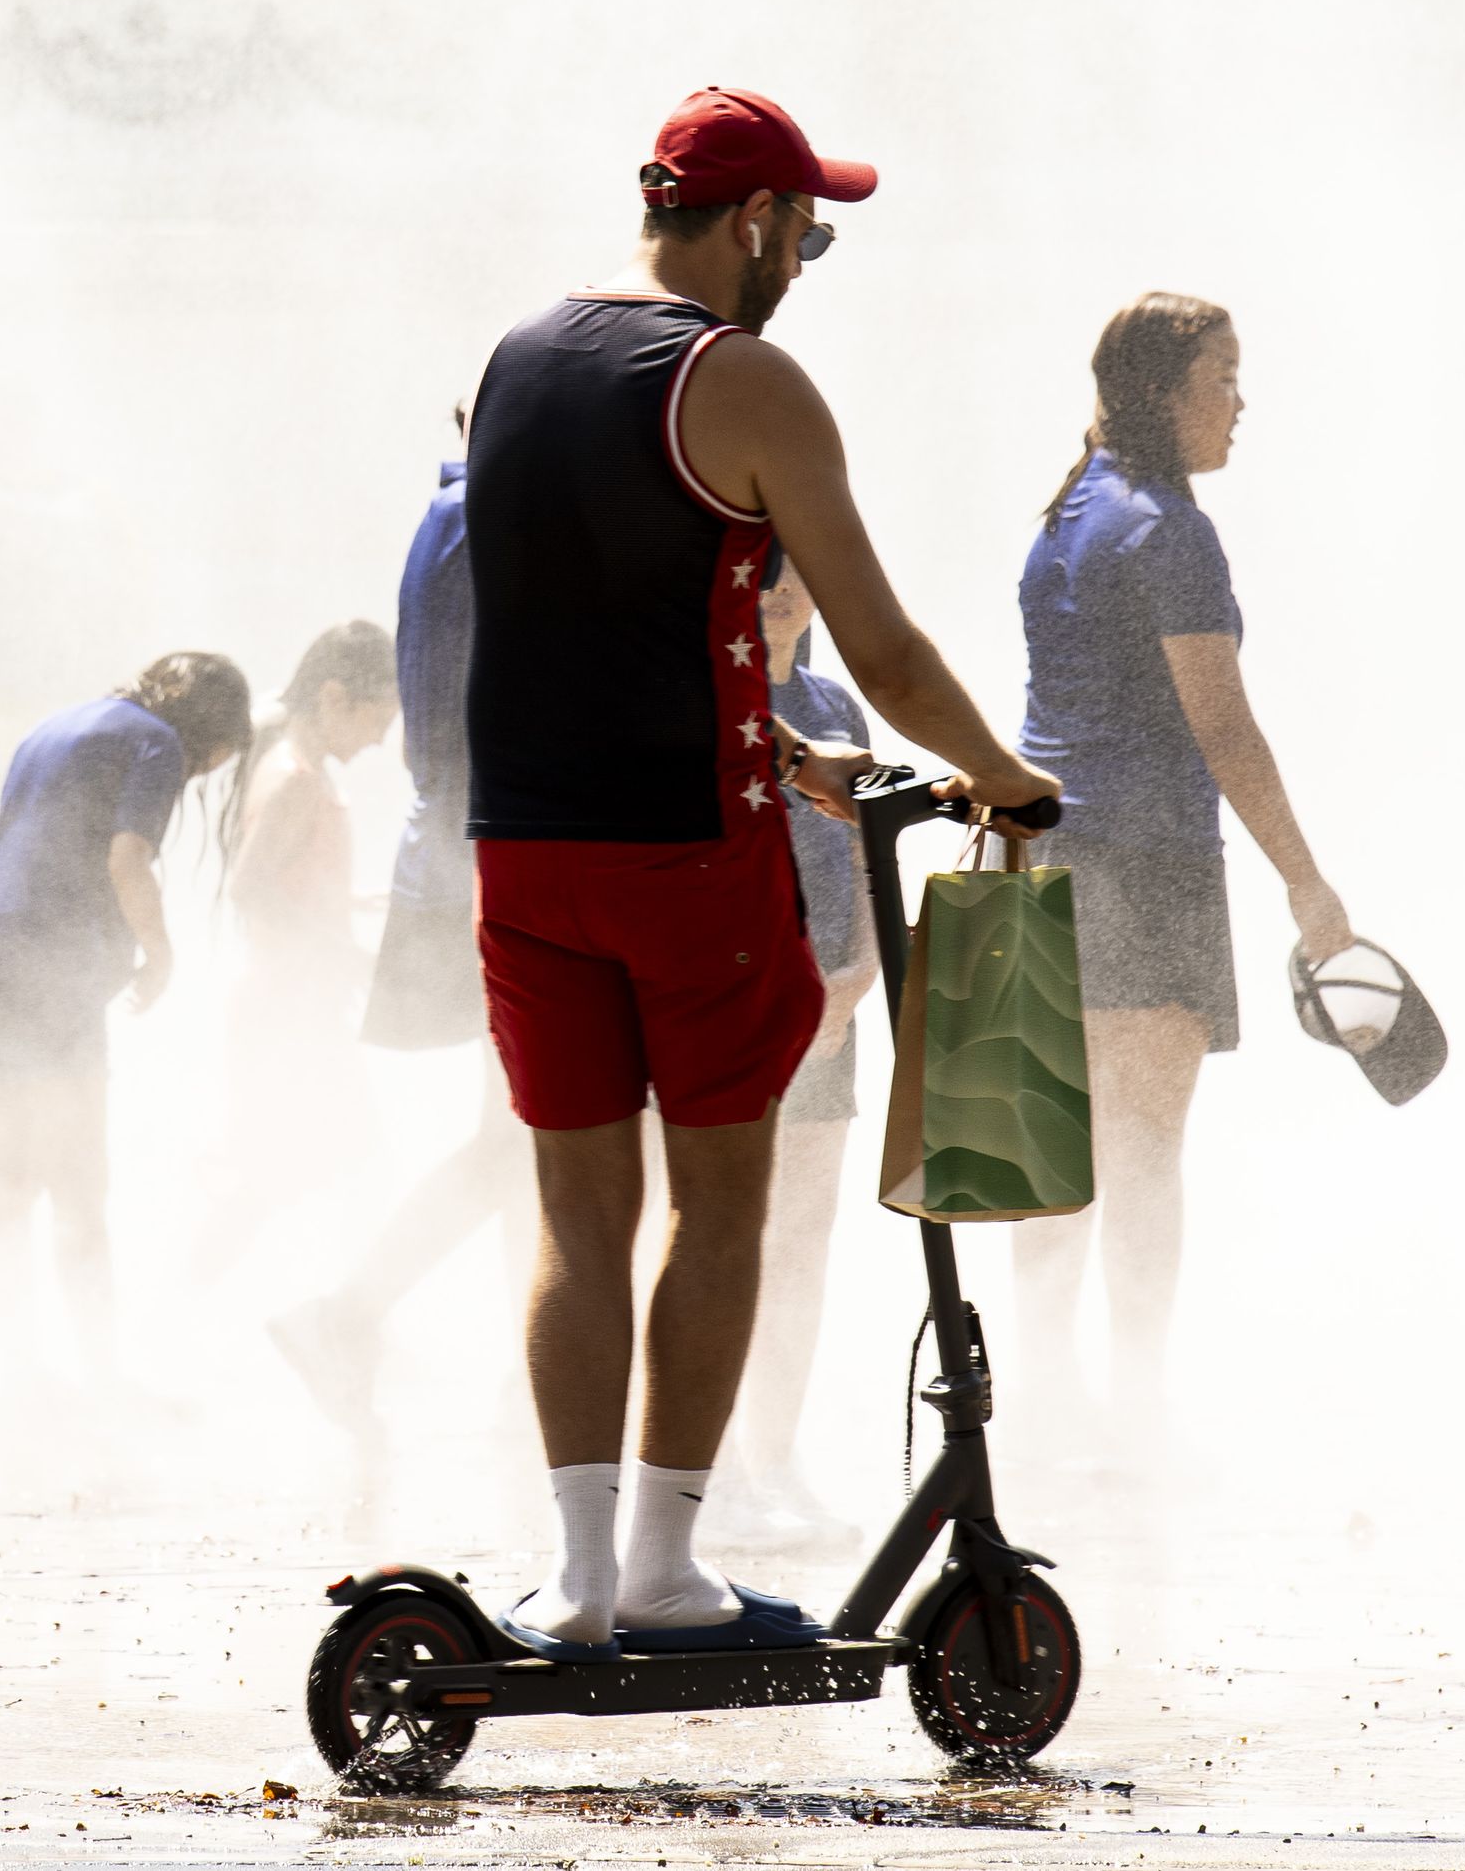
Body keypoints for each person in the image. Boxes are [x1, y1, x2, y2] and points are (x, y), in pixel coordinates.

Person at [463, 84, 1054, 1655]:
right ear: (750, 222)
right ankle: (665, 1566)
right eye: (809, 226)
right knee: (721, 1201)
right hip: (685, 861)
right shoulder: (746, 380)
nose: (810, 252)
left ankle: (574, 1577)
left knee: (576, 1214)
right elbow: (886, 645)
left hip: (523, 852)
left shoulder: (515, 356)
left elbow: (594, 619)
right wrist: (1005, 775)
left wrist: (784, 747)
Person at [1011, 294, 1353, 1418]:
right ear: (1164, 390)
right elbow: (1223, 724)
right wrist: (1306, 880)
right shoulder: (1167, 526)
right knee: (1144, 1146)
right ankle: (1133, 1409)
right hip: (1145, 857)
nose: (1239, 401)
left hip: (1044, 854)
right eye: (1222, 375)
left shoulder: (1069, 509)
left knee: (1059, 1148)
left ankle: (1045, 1394)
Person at [271, 447, 519, 1432]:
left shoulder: (459, 513)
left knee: (525, 1143)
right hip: (494, 854)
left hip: (473, 852)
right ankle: (353, 1315)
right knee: (533, 1139)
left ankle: (495, 1358)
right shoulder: (483, 515)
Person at [0, 652, 251, 1388]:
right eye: (214, 763)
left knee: (10, 1174)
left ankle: (18, 1370)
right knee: (80, 1183)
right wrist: (161, 952)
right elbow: (128, 859)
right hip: (40, 967)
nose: (200, 777)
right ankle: (104, 1381)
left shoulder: (59, 723)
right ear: (209, 731)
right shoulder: (158, 742)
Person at [722, 557, 884, 1555]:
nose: (782, 587)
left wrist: (859, 973)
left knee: (802, 1236)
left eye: (796, 570)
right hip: (736, 1002)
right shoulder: (715, 695)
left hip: (831, 1000)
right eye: (761, 567)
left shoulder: (834, 707)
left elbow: (868, 854)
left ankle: (775, 1458)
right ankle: (710, 1470)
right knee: (720, 1228)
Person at [192, 622, 400, 1276]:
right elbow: (252, 890)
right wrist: (349, 955)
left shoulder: (296, 768)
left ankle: (342, 1314)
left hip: (293, 1008)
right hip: (285, 1011)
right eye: (379, 717)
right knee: (307, 1165)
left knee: (323, 1161)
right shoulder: (296, 777)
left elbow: (284, 883)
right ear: (335, 697)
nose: (380, 739)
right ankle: (337, 1316)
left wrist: (347, 903)